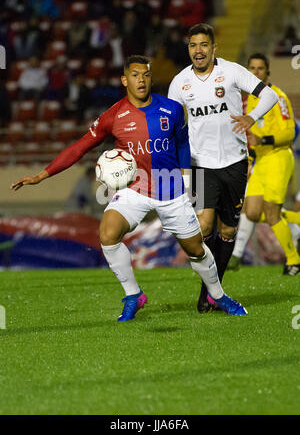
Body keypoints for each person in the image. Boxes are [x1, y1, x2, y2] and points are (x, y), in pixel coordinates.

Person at [10, 54, 247, 321]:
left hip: (172, 192)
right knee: (108, 233)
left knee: (196, 249)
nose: (141, 80)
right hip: (136, 189)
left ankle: (217, 295)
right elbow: (80, 147)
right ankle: (134, 295)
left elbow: (182, 142)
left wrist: (186, 177)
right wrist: (43, 175)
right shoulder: (113, 116)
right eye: (135, 75)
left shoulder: (171, 108)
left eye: (146, 75)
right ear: (125, 80)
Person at [168, 24, 279, 313]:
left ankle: (210, 291)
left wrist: (251, 117)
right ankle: (212, 290)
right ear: (188, 49)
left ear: (214, 48)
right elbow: (172, 126)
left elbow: (269, 96)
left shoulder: (231, 71)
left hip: (234, 162)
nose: (198, 50)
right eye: (193, 45)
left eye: (204, 45)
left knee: (227, 230)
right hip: (200, 163)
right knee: (203, 225)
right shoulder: (180, 83)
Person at [226, 53, 300, 275]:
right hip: (261, 161)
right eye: (252, 68)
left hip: (278, 156)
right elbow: (249, 138)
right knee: (252, 211)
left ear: (267, 72)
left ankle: (294, 261)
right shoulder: (249, 102)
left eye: (260, 68)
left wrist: (264, 140)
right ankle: (296, 219)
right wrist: (248, 160)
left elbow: (290, 132)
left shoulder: (277, 97)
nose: (255, 72)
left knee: (271, 210)